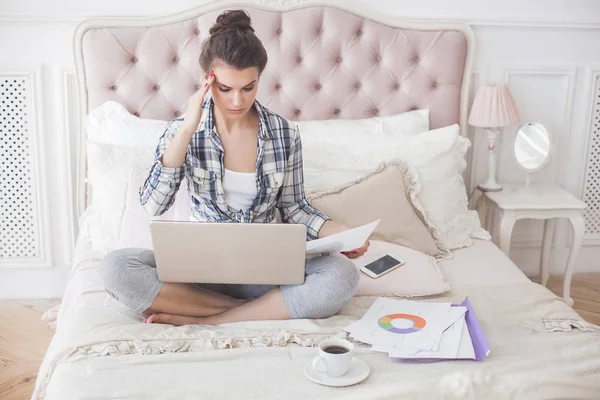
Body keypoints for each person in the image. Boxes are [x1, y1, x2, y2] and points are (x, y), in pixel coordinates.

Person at [99, 9, 369, 326]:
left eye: (248, 87)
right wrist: (185, 131)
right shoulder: (182, 132)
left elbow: (295, 208)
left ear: (259, 79)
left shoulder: (284, 134)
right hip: (197, 272)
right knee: (115, 268)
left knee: (342, 276)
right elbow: (153, 205)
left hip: (265, 271)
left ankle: (207, 318)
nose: (237, 101)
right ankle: (249, 310)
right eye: (225, 89)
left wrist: (342, 233)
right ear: (207, 81)